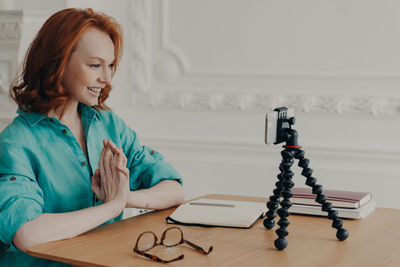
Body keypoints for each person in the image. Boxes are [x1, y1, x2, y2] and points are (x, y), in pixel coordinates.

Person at [0, 8, 185, 266]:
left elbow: (174, 190)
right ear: (57, 63)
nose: (106, 78)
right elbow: (26, 233)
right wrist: (111, 207)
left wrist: (123, 197)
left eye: (110, 65)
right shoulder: (15, 143)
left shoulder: (109, 124)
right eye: (95, 65)